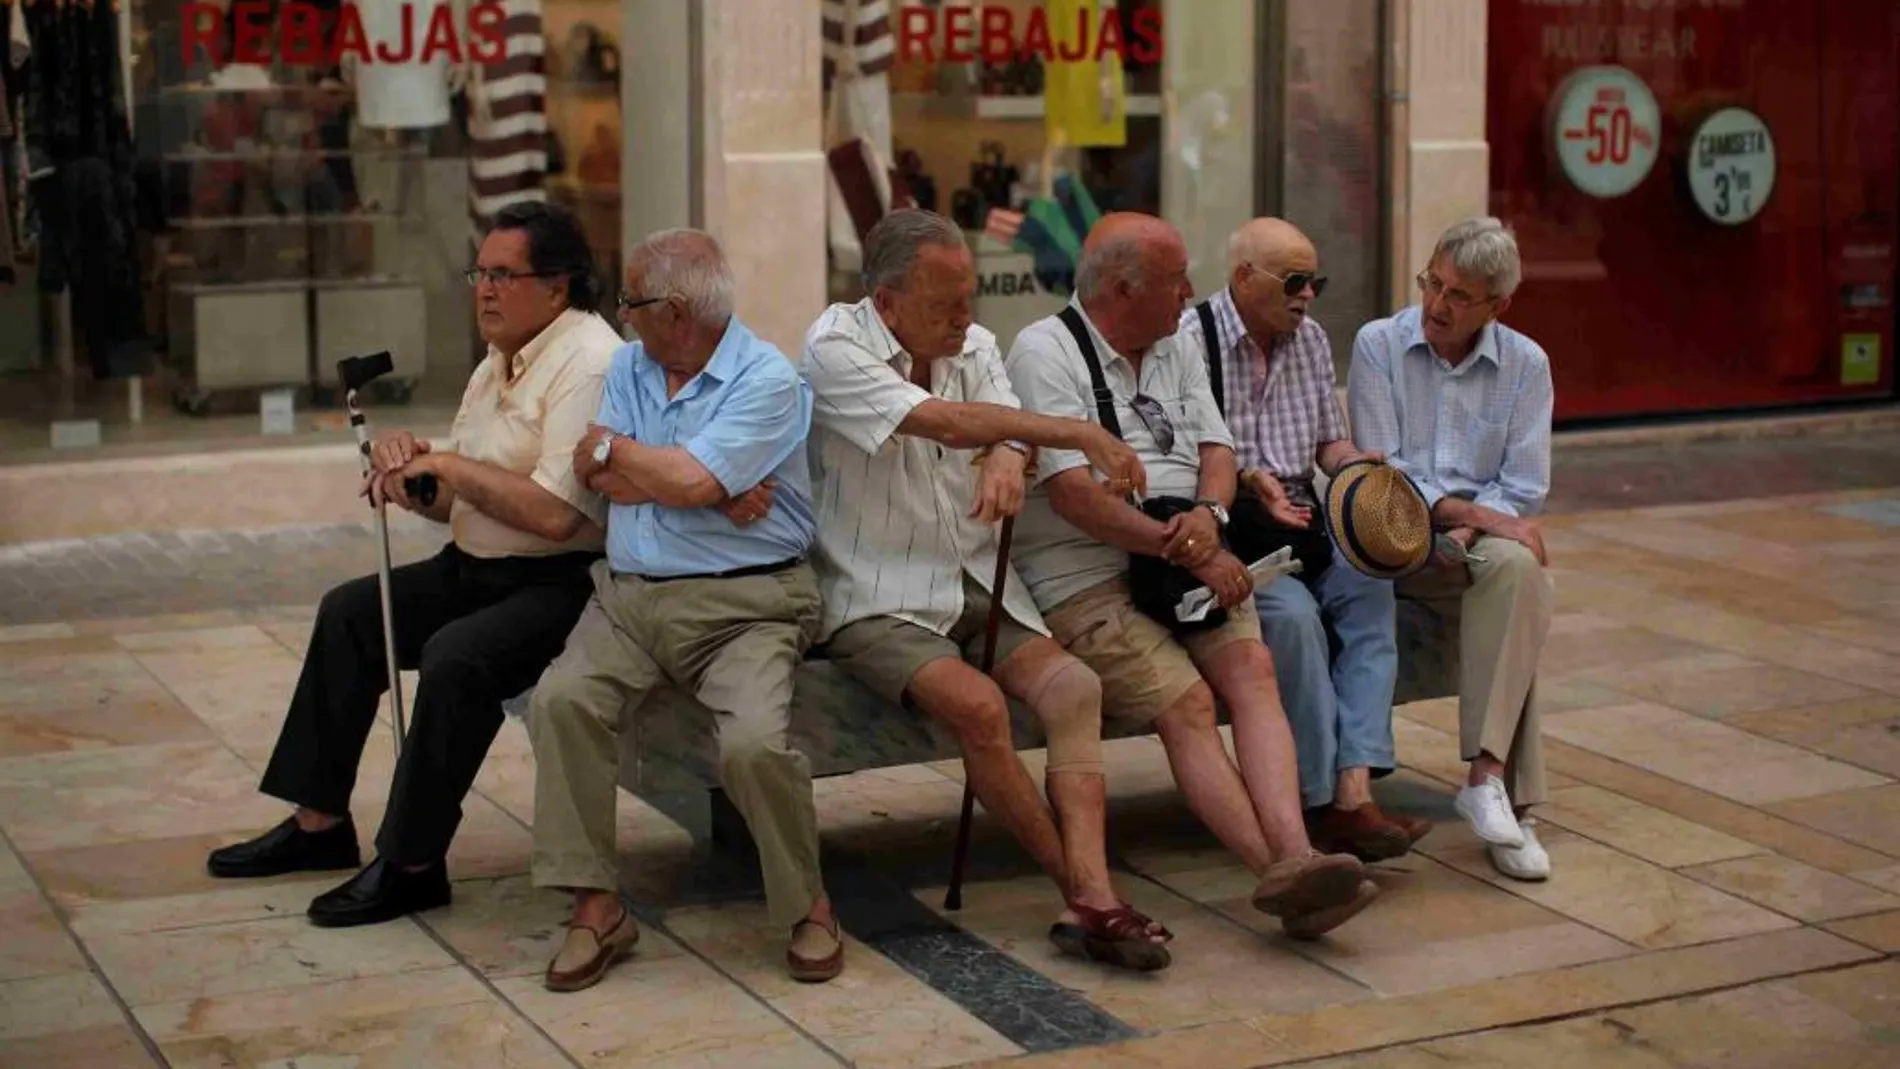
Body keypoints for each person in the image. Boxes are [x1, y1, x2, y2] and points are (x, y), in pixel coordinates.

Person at [205, 202, 622, 927]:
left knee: (455, 655)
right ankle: (319, 824)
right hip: (478, 563)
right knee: (350, 613)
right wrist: (414, 477)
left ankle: (413, 862)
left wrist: (450, 464)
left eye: (503, 274)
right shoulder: (499, 360)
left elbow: (559, 515)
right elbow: (457, 497)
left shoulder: (589, 359)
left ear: (556, 286)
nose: (484, 289)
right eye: (478, 272)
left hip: (561, 583)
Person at [798, 208, 1170, 970]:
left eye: (969, 297)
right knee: (979, 706)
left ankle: (1092, 891)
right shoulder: (834, 345)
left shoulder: (973, 341)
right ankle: (1088, 893)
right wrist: (1067, 433)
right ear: (887, 301)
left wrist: (1010, 451)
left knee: (1074, 689)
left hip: (970, 574)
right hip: (877, 590)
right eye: (945, 304)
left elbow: (997, 418)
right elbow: (944, 420)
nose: (966, 319)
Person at [1004, 211, 1378, 938]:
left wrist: (1210, 513)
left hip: (1194, 556)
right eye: (1177, 281)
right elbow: (1076, 497)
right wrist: (1186, 546)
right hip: (1089, 578)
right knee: (1189, 705)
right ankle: (1278, 873)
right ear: (1123, 288)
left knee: (1252, 672)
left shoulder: (1174, 342)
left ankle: (1299, 854)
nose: (1191, 294)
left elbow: (1217, 445)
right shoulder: (1043, 352)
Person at [526, 229, 841, 993]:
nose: (621, 314)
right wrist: (700, 479)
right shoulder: (632, 365)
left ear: (670, 310)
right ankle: (596, 907)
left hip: (750, 603)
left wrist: (662, 467)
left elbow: (676, 477)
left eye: (630, 300)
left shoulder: (766, 378)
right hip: (631, 598)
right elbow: (592, 469)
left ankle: (808, 904)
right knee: (561, 702)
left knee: (755, 748)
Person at [1182, 217, 1428, 860]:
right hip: (1234, 530)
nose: (1308, 295)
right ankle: (1317, 800)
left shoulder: (1311, 340)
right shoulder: (1189, 340)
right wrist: (1244, 478)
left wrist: (1361, 468)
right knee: (1292, 620)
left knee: (1372, 588)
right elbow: (1176, 461)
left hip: (1306, 521)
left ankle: (1355, 792)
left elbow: (1327, 442)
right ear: (1242, 278)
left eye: (1314, 281)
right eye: (1294, 281)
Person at [1347, 215, 1555, 882]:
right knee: (1513, 572)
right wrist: (1462, 515)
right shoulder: (1378, 344)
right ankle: (1519, 811)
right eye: (1431, 283)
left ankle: (1486, 777)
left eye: (1459, 296)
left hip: (1471, 543)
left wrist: (1468, 531)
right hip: (1389, 536)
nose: (1436, 304)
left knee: (1518, 570)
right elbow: (1387, 468)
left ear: (1498, 306)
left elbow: (1523, 485)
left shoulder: (1526, 364)